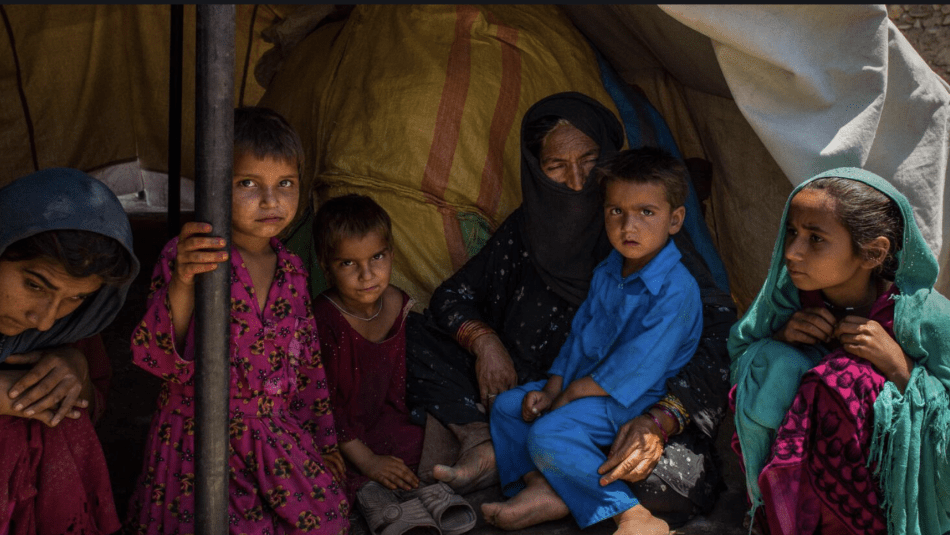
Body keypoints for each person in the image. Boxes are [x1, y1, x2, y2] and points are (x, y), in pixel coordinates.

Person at [406, 91, 736, 527]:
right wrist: (485, 341)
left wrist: (661, 420)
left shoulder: (654, 251)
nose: (577, 182)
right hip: (549, 386)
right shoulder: (541, 233)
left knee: (667, 479)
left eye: (589, 162)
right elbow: (453, 297)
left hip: (628, 400)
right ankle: (502, 453)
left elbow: (714, 340)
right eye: (556, 166)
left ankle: (573, 486)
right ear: (534, 169)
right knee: (410, 335)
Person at [125, 107, 349, 535]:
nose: (270, 201)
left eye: (285, 184)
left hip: (272, 433)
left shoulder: (293, 270)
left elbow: (307, 367)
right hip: (198, 437)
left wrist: (322, 441)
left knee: (328, 518)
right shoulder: (192, 255)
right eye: (248, 183)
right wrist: (184, 281)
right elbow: (154, 356)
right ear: (213, 186)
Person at [482, 147, 702, 534]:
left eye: (646, 213)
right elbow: (579, 339)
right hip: (587, 387)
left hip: (631, 399)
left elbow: (631, 370)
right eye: (616, 211)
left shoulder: (676, 290)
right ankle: (539, 487)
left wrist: (565, 399)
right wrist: (552, 389)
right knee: (507, 406)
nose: (628, 226)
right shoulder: (609, 271)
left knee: (548, 431)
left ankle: (630, 513)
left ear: (675, 220)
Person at [729, 167, 950, 535]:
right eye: (792, 232)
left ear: (872, 253)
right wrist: (781, 337)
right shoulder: (786, 302)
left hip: (893, 498)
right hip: (805, 496)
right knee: (771, 361)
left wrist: (901, 368)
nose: (792, 252)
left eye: (815, 239)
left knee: (843, 377)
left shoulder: (924, 316)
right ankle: (780, 515)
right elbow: (739, 362)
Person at [0, 167, 139, 535]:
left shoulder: (74, 330)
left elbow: (94, 404)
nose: (44, 320)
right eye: (34, 284)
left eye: (76, 298)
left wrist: (76, 374)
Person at [311, 194, 424, 505]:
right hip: (337, 435)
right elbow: (321, 405)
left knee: (426, 446)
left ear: (391, 254)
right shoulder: (324, 320)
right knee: (326, 478)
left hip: (383, 422)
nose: (367, 275)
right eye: (349, 263)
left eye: (377, 257)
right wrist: (368, 461)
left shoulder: (398, 302)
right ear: (326, 266)